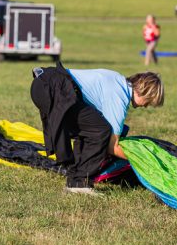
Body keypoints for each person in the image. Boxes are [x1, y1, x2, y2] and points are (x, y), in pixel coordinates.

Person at [31, 64, 164, 194]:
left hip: (44, 83)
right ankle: (79, 183)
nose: (146, 106)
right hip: (55, 88)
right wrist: (142, 160)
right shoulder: (119, 95)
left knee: (90, 129)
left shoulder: (118, 81)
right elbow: (112, 146)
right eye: (149, 101)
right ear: (144, 90)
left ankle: (75, 178)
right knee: (101, 131)